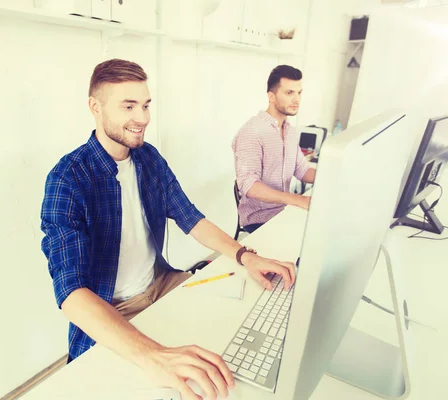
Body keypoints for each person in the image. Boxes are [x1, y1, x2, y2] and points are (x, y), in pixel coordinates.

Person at [40, 59, 297, 400]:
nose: (143, 118)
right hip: (112, 306)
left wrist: (245, 255)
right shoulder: (68, 178)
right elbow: (71, 295)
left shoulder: (148, 158)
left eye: (146, 105)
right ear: (95, 107)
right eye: (128, 106)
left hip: (161, 283)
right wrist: (153, 356)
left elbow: (191, 218)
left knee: (242, 322)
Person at [232, 65, 316, 234]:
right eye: (289, 93)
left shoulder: (290, 131)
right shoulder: (252, 132)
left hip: (285, 211)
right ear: (271, 96)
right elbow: (250, 186)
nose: (296, 99)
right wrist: (297, 199)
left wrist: (334, 178)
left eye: (299, 93)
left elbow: (302, 169)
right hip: (259, 219)